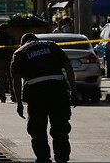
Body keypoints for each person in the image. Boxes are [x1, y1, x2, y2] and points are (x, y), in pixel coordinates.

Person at [11, 33, 77, 163]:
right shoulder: (52, 46)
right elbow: (68, 67)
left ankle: (43, 158)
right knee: (60, 128)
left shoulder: (19, 52)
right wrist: (73, 91)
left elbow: (16, 78)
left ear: (23, 43)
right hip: (58, 90)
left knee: (38, 130)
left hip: (36, 94)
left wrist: (19, 101)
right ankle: (62, 158)